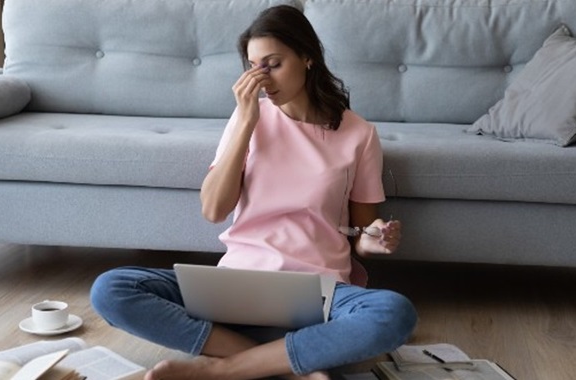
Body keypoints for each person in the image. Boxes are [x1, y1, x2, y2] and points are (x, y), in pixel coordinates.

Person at [90, 5, 417, 380]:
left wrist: (376, 239)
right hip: (238, 286)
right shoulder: (248, 118)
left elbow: (362, 234)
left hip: (319, 290)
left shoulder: (359, 133)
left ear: (308, 56)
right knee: (111, 288)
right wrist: (246, 121)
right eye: (253, 66)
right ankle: (290, 365)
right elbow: (213, 209)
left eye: (273, 64)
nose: (262, 79)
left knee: (395, 313)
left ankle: (222, 370)